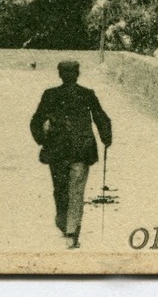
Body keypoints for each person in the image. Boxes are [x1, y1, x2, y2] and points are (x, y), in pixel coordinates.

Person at [29, 59, 112, 249]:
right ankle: (71, 228)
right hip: (81, 150)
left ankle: (65, 224)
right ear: (78, 74)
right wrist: (106, 138)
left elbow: (36, 121)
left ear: (60, 74)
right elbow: (101, 117)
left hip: (56, 150)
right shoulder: (87, 94)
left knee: (61, 189)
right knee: (76, 190)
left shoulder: (50, 95)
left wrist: (42, 139)